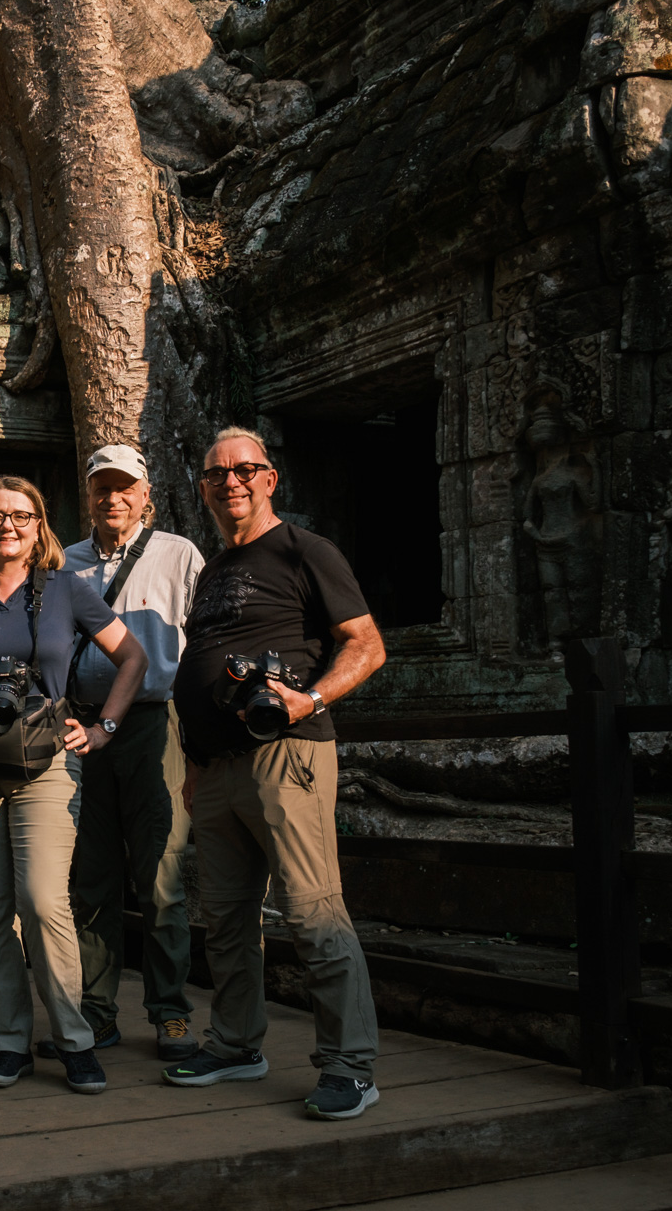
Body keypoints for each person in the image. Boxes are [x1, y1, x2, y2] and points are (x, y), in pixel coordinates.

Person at [162, 426, 388, 1121]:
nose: (229, 481)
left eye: (244, 470)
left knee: (312, 909)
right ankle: (235, 1043)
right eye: (215, 474)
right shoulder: (215, 570)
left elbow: (367, 645)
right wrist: (197, 764)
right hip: (219, 768)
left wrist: (309, 697)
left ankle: (350, 1066)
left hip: (286, 756)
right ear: (202, 489)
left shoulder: (303, 550)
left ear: (269, 479)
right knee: (225, 917)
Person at [0, 475, 147, 1095]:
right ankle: (9, 1040)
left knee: (44, 902)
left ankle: (75, 1039)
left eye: (21, 516)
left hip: (48, 763)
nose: (8, 527)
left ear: (40, 524)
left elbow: (132, 656)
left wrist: (104, 726)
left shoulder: (69, 591)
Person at [45, 444, 205, 1061]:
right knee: (93, 876)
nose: (112, 498)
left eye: (125, 487)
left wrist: (197, 739)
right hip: (80, 727)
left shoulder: (178, 554)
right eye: (101, 487)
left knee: (160, 874)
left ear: (146, 495)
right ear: (87, 496)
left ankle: (169, 1011)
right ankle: (97, 1010)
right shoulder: (66, 561)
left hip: (150, 725)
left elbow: (200, 644)